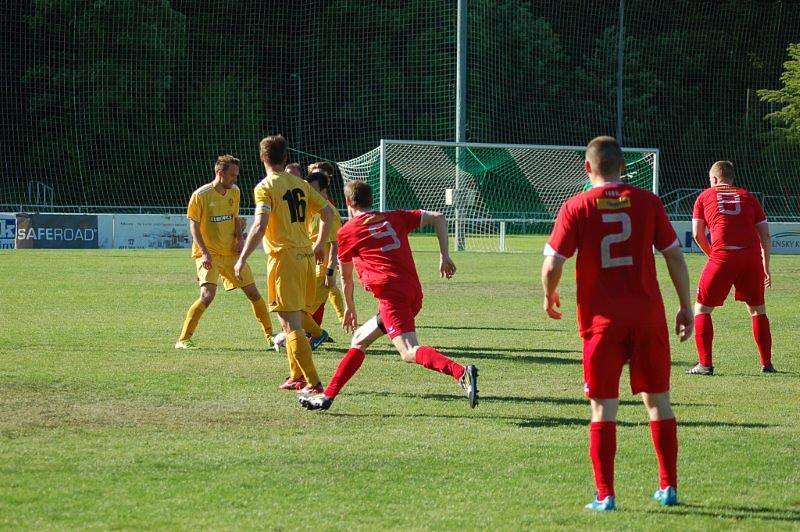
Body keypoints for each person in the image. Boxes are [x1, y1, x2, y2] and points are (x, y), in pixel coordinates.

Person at [541, 136, 693, 511]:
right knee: (658, 401)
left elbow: (552, 264)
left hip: (601, 323)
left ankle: (606, 495)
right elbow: (674, 256)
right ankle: (668, 488)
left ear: (587, 168)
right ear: (624, 167)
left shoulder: (576, 206)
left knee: (602, 408)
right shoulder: (648, 201)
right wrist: (686, 306)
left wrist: (549, 294)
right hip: (647, 318)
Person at [298, 180, 479, 412]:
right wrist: (444, 255)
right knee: (359, 340)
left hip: (392, 296)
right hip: (411, 291)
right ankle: (327, 396)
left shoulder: (348, 231)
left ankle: (461, 372)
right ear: (370, 199)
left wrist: (350, 307)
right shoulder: (395, 217)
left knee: (408, 351)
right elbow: (439, 217)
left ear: (348, 202)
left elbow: (346, 277)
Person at [235, 135, 336, 394]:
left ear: (262, 158)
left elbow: (259, 225)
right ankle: (296, 376)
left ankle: (313, 383)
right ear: (286, 157)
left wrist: (243, 257)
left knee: (290, 324)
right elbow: (327, 213)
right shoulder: (301, 183)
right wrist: (321, 244)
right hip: (306, 259)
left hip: (285, 260)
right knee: (292, 321)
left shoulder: (265, 187)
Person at [176, 155, 274, 349]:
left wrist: (240, 239)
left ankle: (271, 337)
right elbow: (193, 226)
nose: (234, 179)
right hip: (208, 254)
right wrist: (204, 252)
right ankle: (183, 340)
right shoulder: (201, 195)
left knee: (254, 293)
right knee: (207, 295)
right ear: (219, 173)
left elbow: (235, 218)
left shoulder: (234, 192)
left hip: (231, 254)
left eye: (236, 175)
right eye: (231, 175)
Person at [687, 161, 774, 375]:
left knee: (702, 309)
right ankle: (767, 364)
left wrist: (713, 256)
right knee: (757, 310)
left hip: (723, 254)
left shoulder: (704, 196)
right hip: (751, 256)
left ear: (714, 179)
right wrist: (766, 266)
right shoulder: (748, 196)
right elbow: (765, 235)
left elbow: (698, 234)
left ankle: (705, 365)